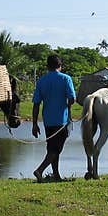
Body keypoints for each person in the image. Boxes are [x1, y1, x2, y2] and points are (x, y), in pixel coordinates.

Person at [31, 54, 76, 182]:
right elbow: (72, 99)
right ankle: (39, 170)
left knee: (52, 148)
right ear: (60, 66)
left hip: (48, 121)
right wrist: (68, 104)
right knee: (56, 149)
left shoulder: (41, 81)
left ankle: (56, 175)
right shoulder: (66, 79)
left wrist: (34, 124)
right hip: (61, 120)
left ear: (47, 66)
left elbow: (36, 104)